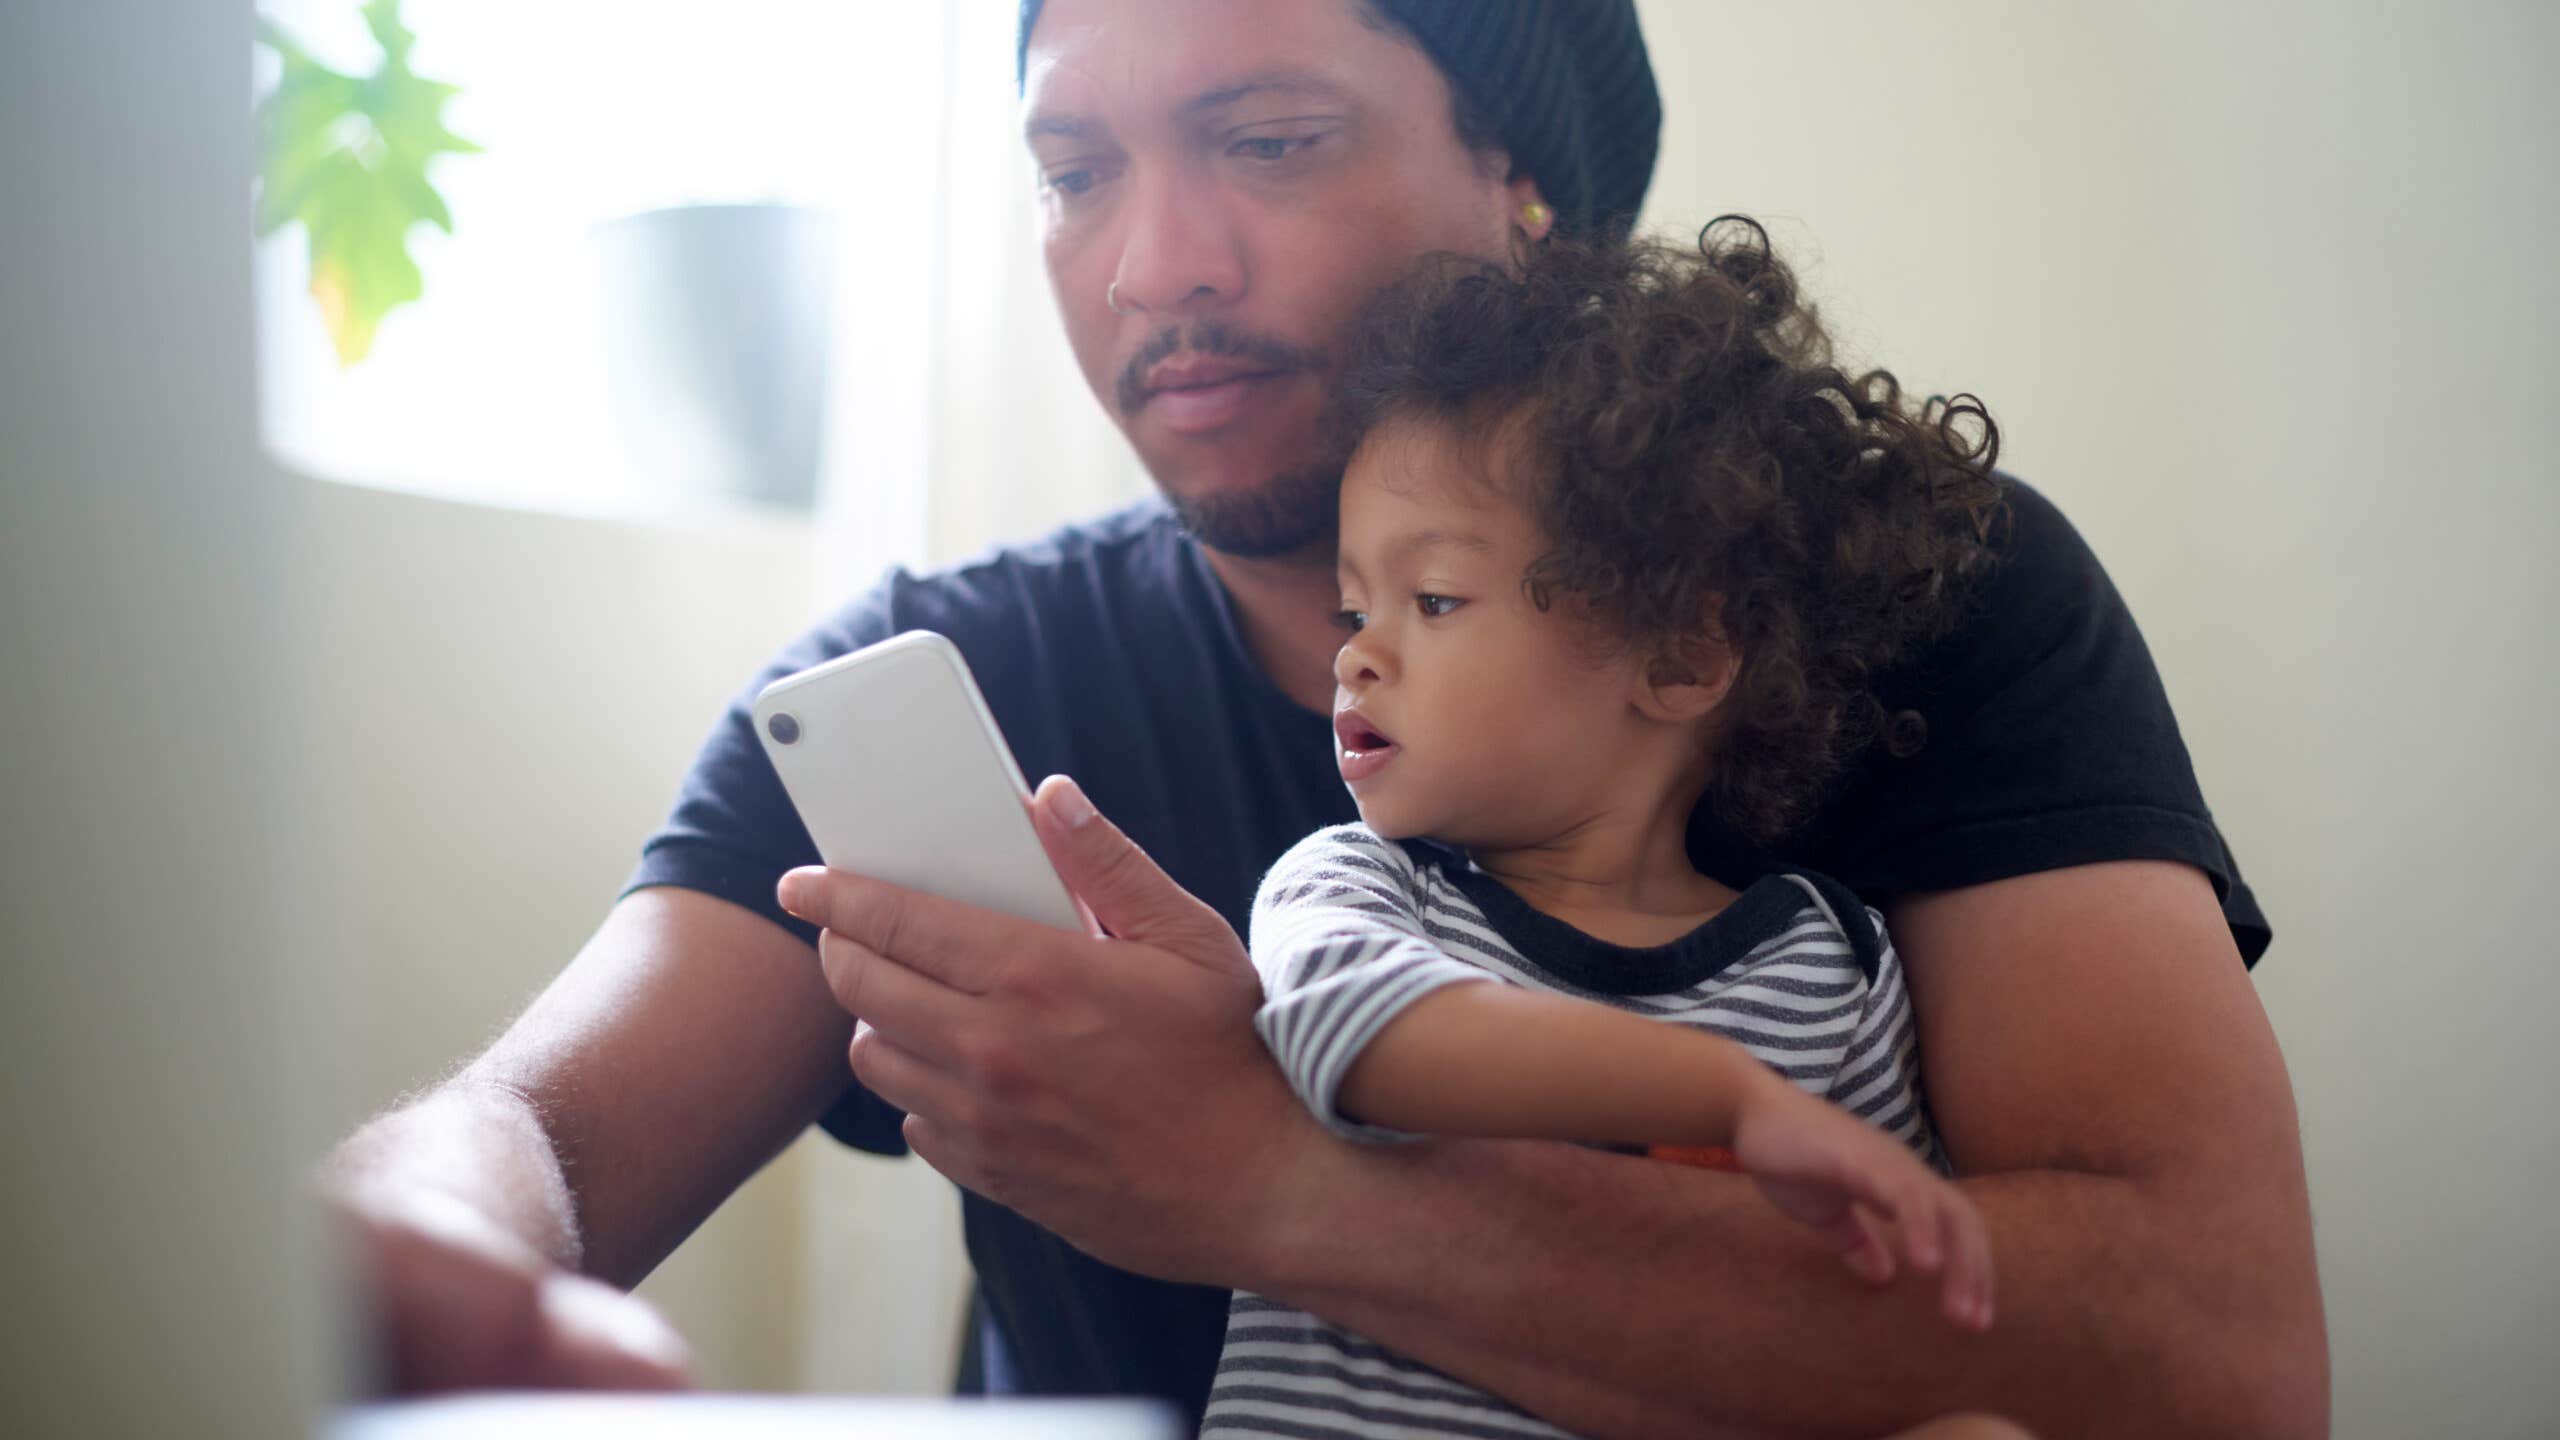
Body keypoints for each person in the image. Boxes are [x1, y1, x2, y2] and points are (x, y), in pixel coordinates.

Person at [324, 2, 2327, 1435]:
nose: (1151, 265)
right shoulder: (954, 681)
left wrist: (1278, 1179)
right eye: (1069, 169)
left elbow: (2209, 1360)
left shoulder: (1902, 586)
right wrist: (432, 1241)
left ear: (1525, 184)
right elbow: (529, 1132)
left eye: (1268, 140)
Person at [1200, 223, 2005, 1438]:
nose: (1355, 652)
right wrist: (1727, 1100)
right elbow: (1363, 1042)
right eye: (1354, 606)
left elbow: (1878, 1282)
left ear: (1681, 656)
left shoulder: (1829, 972)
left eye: (1432, 600)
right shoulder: (1360, 888)